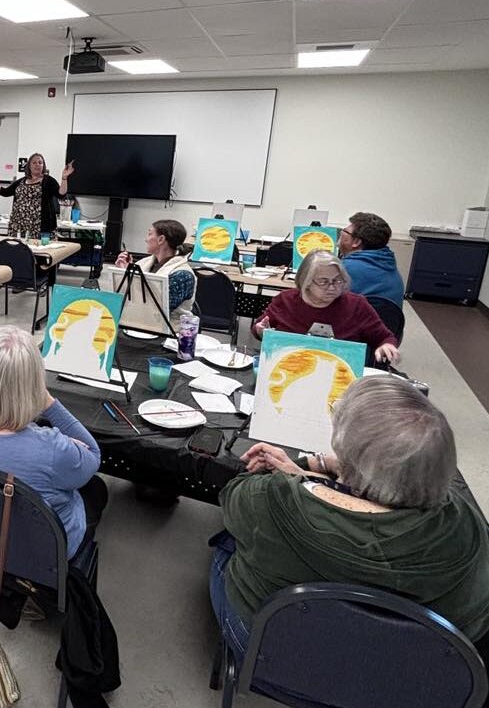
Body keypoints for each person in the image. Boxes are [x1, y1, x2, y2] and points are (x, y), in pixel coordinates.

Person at [209, 376, 489, 662]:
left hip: (275, 657)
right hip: (408, 683)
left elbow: (233, 497)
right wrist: (319, 473)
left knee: (228, 544)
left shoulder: (277, 499)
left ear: (349, 456)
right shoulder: (466, 522)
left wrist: (310, 465)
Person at [0, 325, 107, 559]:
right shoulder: (51, 449)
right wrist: (48, 402)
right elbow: (93, 454)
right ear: (34, 384)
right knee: (96, 489)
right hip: (39, 554)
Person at [253, 249, 400, 364]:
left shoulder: (356, 305)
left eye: (338, 281)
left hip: (339, 373)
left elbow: (384, 337)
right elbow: (258, 328)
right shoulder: (285, 300)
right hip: (287, 367)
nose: (332, 288)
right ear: (307, 282)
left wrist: (386, 345)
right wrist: (260, 331)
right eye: (324, 282)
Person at [114, 220, 196, 318]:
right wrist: (125, 272)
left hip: (171, 329)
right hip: (140, 322)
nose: (146, 239)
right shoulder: (144, 262)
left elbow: (155, 310)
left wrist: (128, 276)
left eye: (149, 234)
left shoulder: (182, 275)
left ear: (161, 239)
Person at [0, 153, 73, 239]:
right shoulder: (21, 181)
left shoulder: (48, 180)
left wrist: (64, 178)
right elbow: (5, 192)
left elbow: (61, 194)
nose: (37, 165)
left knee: (39, 252)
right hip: (19, 223)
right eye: (34, 162)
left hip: (40, 225)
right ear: (29, 166)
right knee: (19, 251)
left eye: (40, 162)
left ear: (43, 166)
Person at [338, 211, 405, 308]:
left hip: (356, 322)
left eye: (344, 232)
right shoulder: (389, 264)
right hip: (387, 323)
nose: (341, 234)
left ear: (356, 242)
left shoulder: (345, 269)